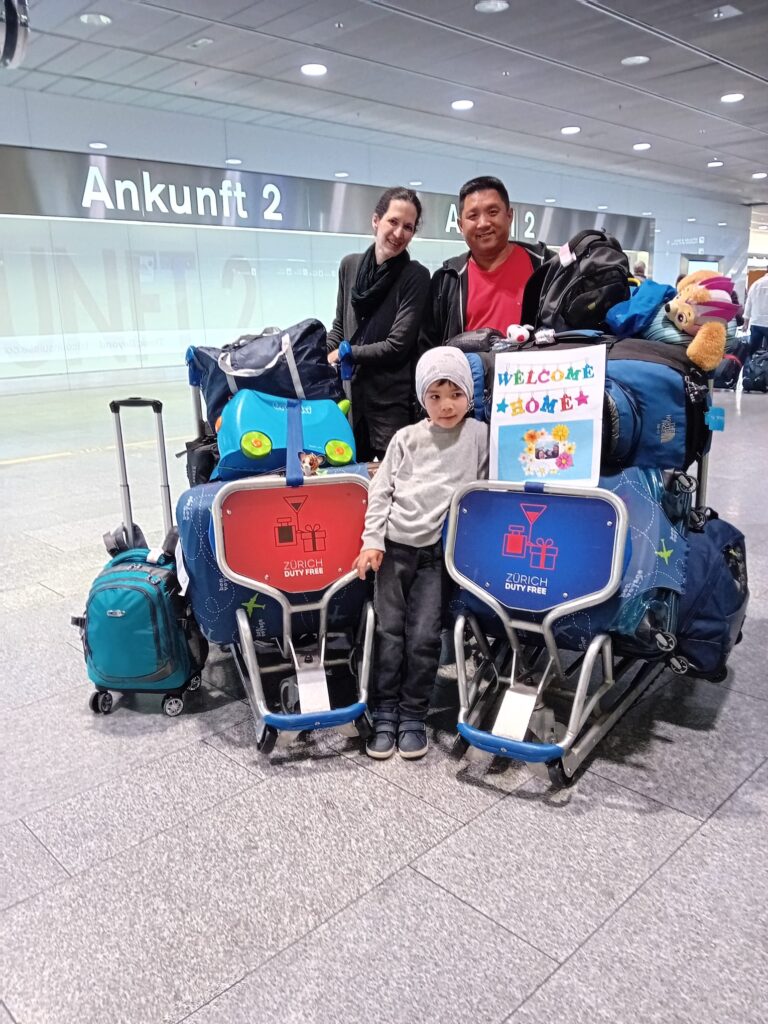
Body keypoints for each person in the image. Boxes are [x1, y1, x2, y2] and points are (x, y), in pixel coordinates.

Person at [354, 347, 488, 760]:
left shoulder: (480, 435)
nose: (446, 405)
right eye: (435, 395)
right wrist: (372, 541)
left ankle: (414, 714)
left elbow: (487, 489)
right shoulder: (406, 438)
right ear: (421, 398)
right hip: (394, 548)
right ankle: (385, 712)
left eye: (456, 394)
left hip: (436, 555)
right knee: (388, 632)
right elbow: (380, 492)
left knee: (426, 636)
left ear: (469, 395)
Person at [327, 186, 430, 461]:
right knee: (349, 477)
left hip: (390, 406)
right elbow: (340, 327)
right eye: (393, 221)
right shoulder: (349, 266)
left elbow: (397, 345)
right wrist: (321, 354)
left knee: (396, 479)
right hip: (349, 399)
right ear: (376, 220)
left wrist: (347, 353)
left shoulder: (415, 276)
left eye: (408, 227)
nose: (399, 233)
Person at [419, 175, 550, 350]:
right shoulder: (447, 281)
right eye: (473, 216)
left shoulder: (545, 265)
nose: (483, 223)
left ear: (509, 216)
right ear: (460, 225)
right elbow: (428, 349)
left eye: (492, 212)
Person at [743, 272, 768, 355]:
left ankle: (750, 363)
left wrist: (745, 323)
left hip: (756, 322)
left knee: (752, 350)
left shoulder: (756, 284)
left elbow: (748, 304)